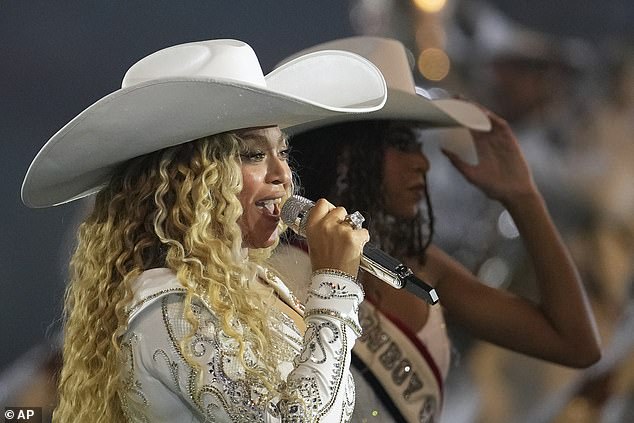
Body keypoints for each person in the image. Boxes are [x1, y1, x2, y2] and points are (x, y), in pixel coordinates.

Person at [21, 39, 390, 422]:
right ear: (189, 181)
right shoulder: (167, 307)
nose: (283, 175)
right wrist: (334, 284)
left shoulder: (259, 286)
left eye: (281, 152)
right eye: (252, 154)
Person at [268, 36, 602, 423]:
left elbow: (576, 345)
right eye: (400, 144)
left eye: (417, 145)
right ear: (342, 152)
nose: (421, 164)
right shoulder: (275, 263)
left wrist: (523, 197)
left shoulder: (420, 267)